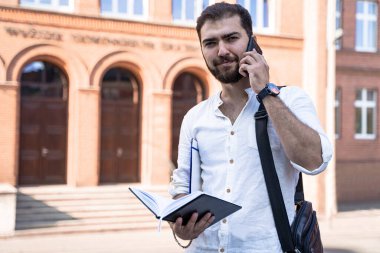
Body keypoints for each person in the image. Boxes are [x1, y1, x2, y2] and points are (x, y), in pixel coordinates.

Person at [169, 2, 333, 252]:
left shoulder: (290, 100)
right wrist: (180, 223)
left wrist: (266, 92)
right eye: (210, 43)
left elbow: (314, 162)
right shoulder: (195, 117)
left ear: (252, 43)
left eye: (231, 38)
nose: (222, 50)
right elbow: (183, 188)